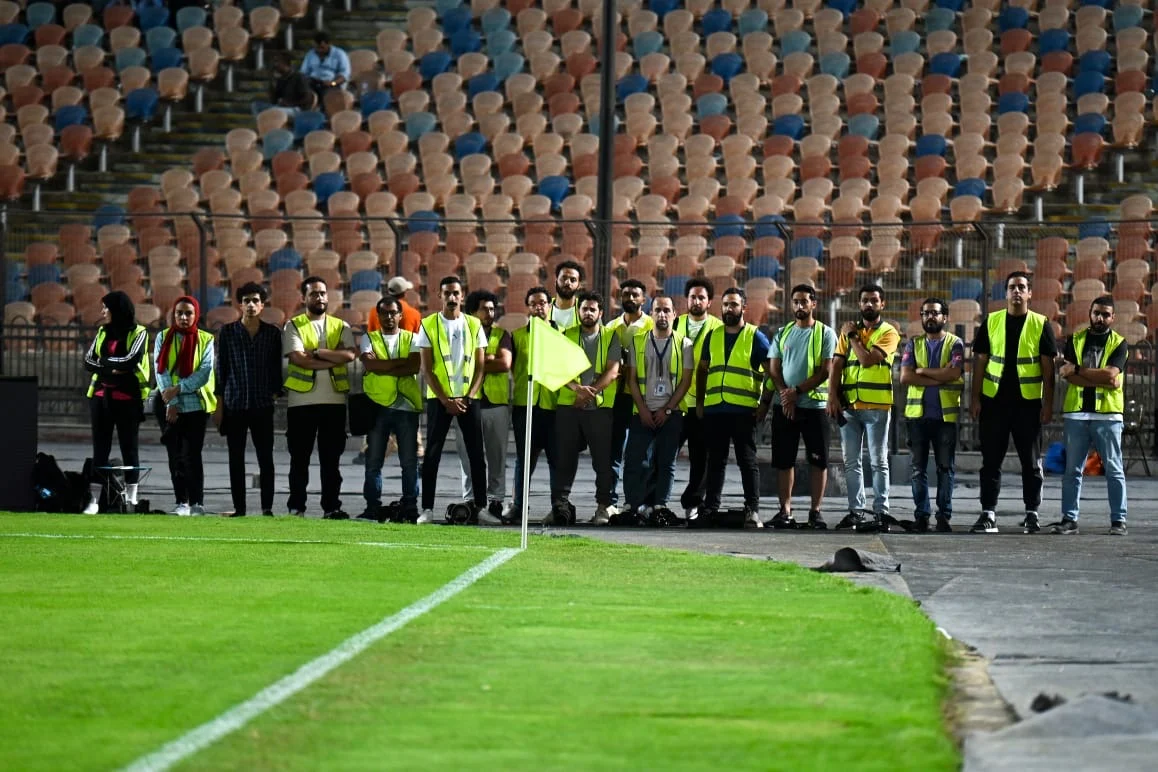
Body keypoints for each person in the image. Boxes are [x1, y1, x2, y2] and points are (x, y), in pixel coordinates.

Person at [969, 271, 1057, 534]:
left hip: (1027, 405)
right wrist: (974, 398)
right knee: (991, 461)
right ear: (1005, 293)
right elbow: (980, 363)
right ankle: (988, 514)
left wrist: (1049, 404)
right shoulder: (992, 321)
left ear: (1029, 293)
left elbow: (1048, 370)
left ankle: (1032, 513)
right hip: (993, 403)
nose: (1016, 291)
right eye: (1012, 287)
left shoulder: (1041, 324)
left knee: (1030, 463)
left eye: (1021, 287)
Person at [760, 284, 836, 530]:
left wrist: (796, 392)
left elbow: (826, 370)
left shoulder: (825, 333)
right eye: (796, 302)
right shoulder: (782, 333)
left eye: (804, 301)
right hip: (786, 407)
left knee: (818, 460)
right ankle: (785, 511)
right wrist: (785, 395)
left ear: (814, 304)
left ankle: (815, 512)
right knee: (784, 461)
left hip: (814, 407)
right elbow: (773, 368)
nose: (800, 306)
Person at [416, 276, 490, 524]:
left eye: (455, 293)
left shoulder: (473, 324)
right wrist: (446, 399)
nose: (451, 297)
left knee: (476, 455)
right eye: (446, 293)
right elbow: (426, 369)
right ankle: (426, 509)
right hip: (440, 400)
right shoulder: (428, 324)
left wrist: (468, 396)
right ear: (439, 295)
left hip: (469, 399)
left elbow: (481, 367)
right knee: (433, 454)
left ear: (461, 295)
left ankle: (481, 507)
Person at [828, 284, 901, 533]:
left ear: (883, 305)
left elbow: (867, 360)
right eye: (865, 301)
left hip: (877, 407)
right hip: (849, 406)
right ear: (859, 305)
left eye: (874, 301)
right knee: (851, 462)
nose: (869, 305)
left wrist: (851, 337)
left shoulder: (889, 332)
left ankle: (881, 512)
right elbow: (836, 365)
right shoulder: (850, 331)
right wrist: (831, 397)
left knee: (879, 461)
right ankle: (856, 511)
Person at [283, 276, 357, 519]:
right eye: (314, 293)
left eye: (323, 293)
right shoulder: (293, 325)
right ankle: (297, 507)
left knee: (331, 461)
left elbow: (348, 356)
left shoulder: (341, 326)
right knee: (299, 460)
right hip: (301, 403)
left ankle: (331, 507)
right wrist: (330, 357)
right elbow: (297, 359)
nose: (320, 297)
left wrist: (316, 353)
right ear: (304, 297)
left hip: (334, 402)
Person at [696, 287, 770, 527]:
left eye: (734, 305)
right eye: (726, 305)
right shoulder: (713, 335)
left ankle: (753, 510)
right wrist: (700, 402)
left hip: (744, 410)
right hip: (715, 409)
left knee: (747, 462)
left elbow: (772, 373)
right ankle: (710, 508)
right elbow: (703, 370)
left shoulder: (755, 337)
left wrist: (764, 405)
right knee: (715, 462)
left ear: (743, 308)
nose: (729, 309)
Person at [1056, 296, 1128, 535]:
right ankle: (1069, 519)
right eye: (1097, 313)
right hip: (1077, 414)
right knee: (1072, 470)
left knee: (1114, 469)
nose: (1100, 318)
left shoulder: (1119, 343)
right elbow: (1070, 376)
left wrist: (1078, 370)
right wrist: (1101, 377)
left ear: (1113, 318)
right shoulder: (1074, 340)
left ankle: (1118, 521)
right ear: (1090, 313)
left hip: (1108, 415)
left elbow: (1110, 375)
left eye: (1106, 314)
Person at [214, 282, 283, 518]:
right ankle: (240, 508)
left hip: (262, 405)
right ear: (240, 305)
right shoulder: (228, 332)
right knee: (236, 458)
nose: (251, 305)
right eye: (247, 301)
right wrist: (219, 406)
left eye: (255, 300)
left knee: (266, 458)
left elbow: (276, 370)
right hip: (235, 404)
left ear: (262, 305)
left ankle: (267, 508)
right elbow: (221, 369)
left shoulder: (273, 334)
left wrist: (273, 393)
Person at [552, 291, 621, 525]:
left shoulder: (611, 336)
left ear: (600, 313)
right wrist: (577, 390)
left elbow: (613, 371)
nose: (588, 313)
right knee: (564, 460)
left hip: (599, 410)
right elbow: (558, 369)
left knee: (602, 461)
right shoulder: (566, 335)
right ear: (578, 311)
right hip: (569, 408)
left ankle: (603, 507)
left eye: (593, 309)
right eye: (584, 309)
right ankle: (559, 507)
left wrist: (588, 394)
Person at [624, 295, 694, 521]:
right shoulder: (638, 341)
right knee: (635, 460)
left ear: (675, 314)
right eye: (658, 310)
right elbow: (632, 379)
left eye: (666, 310)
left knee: (666, 462)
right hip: (642, 412)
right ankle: (632, 505)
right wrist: (643, 409)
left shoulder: (685, 344)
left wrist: (668, 409)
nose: (662, 315)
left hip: (671, 414)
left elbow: (685, 380)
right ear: (650, 313)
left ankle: (659, 505)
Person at [899, 297, 965, 533]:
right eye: (926, 313)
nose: (930, 317)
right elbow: (905, 378)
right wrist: (941, 374)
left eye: (935, 313)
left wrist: (923, 371)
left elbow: (955, 373)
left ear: (944, 318)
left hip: (945, 419)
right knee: (918, 470)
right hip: (917, 417)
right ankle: (922, 516)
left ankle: (943, 516)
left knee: (945, 469)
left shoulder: (955, 344)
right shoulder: (912, 345)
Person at [82, 291, 150, 514]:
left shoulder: (140, 332)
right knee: (99, 450)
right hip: (101, 398)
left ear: (117, 310)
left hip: (128, 399)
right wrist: (111, 367)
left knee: (129, 449)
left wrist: (105, 364)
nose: (102, 312)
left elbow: (132, 360)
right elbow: (88, 361)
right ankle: (93, 501)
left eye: (106, 308)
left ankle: (131, 498)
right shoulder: (102, 331)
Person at [360, 295, 421, 522]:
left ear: (400, 314)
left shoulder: (413, 338)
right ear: (378, 316)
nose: (388, 316)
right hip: (377, 407)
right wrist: (399, 364)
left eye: (392, 312)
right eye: (384, 313)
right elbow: (369, 364)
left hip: (406, 406)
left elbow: (414, 365)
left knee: (409, 462)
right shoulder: (369, 338)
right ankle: (373, 507)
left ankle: (410, 506)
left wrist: (382, 367)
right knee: (373, 461)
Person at [153, 296, 216, 516]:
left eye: (188, 313)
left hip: (196, 406)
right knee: (175, 456)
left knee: (192, 456)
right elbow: (160, 372)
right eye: (179, 313)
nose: (183, 317)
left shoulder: (206, 339)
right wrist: (172, 402)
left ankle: (197, 502)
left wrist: (177, 391)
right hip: (168, 406)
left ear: (196, 315)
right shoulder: (162, 336)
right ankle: (181, 502)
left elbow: (204, 373)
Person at [455, 290, 512, 522]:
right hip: (467, 403)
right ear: (471, 312)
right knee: (467, 457)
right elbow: (458, 365)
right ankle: (470, 500)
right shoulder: (461, 333)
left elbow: (505, 364)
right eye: (484, 309)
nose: (490, 313)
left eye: (492, 308)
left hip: (496, 404)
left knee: (497, 456)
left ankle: (496, 500)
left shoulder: (502, 334)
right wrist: (488, 359)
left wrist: (478, 362)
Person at [509, 286, 561, 520]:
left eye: (543, 303)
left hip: (553, 405)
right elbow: (512, 367)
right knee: (524, 459)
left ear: (550, 306)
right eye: (534, 304)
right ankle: (519, 506)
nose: (539, 307)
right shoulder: (518, 336)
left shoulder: (563, 335)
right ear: (528, 308)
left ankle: (558, 507)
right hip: (525, 405)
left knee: (555, 459)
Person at [674, 278, 723, 518]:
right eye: (693, 297)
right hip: (675, 403)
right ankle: (653, 501)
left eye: (701, 297)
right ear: (687, 299)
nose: (696, 301)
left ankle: (693, 503)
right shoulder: (675, 323)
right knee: (662, 456)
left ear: (709, 302)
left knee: (700, 459)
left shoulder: (717, 327)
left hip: (702, 405)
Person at [605, 279, 654, 509]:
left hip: (641, 398)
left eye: (635, 295)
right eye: (626, 294)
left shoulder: (652, 326)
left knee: (639, 454)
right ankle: (610, 501)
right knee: (612, 451)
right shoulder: (611, 327)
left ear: (644, 299)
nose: (631, 299)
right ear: (619, 297)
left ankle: (637, 501)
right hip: (616, 396)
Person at [252, 52, 314, 118]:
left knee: (273, 110)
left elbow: (308, 99)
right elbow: (273, 101)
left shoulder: (299, 77)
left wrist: (290, 104)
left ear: (285, 63)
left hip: (297, 109)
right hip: (282, 108)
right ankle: (262, 125)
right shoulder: (281, 79)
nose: (275, 65)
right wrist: (271, 82)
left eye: (277, 62)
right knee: (256, 105)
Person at [300, 32, 351, 100]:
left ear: (329, 44)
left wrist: (333, 83)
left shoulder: (340, 54)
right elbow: (303, 72)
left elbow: (345, 74)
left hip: (332, 83)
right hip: (314, 82)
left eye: (322, 48)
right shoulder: (310, 54)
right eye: (317, 48)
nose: (319, 50)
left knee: (327, 94)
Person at [550, 260, 584, 330]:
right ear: (556, 281)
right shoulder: (544, 308)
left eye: (573, 280)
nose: (567, 282)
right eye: (564, 278)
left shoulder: (587, 309)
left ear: (579, 285)